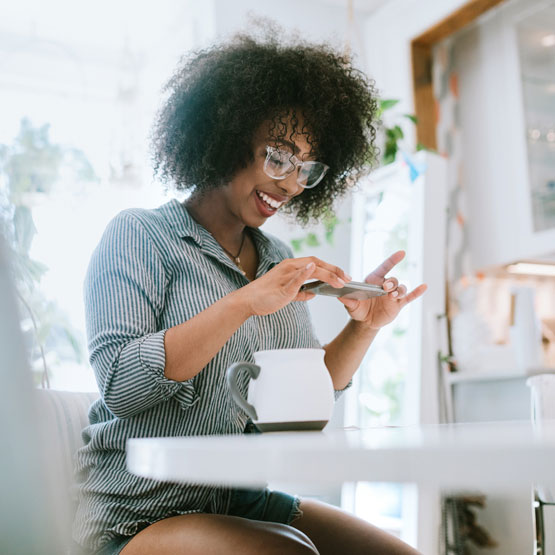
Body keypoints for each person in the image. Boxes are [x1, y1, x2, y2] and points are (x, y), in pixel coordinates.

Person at [73, 29, 426, 555]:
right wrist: (243, 302)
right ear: (224, 134)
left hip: (243, 502)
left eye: (306, 168)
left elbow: (305, 390)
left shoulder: (278, 259)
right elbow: (122, 386)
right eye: (278, 158)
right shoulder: (139, 235)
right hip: (137, 513)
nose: (290, 184)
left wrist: (363, 326)